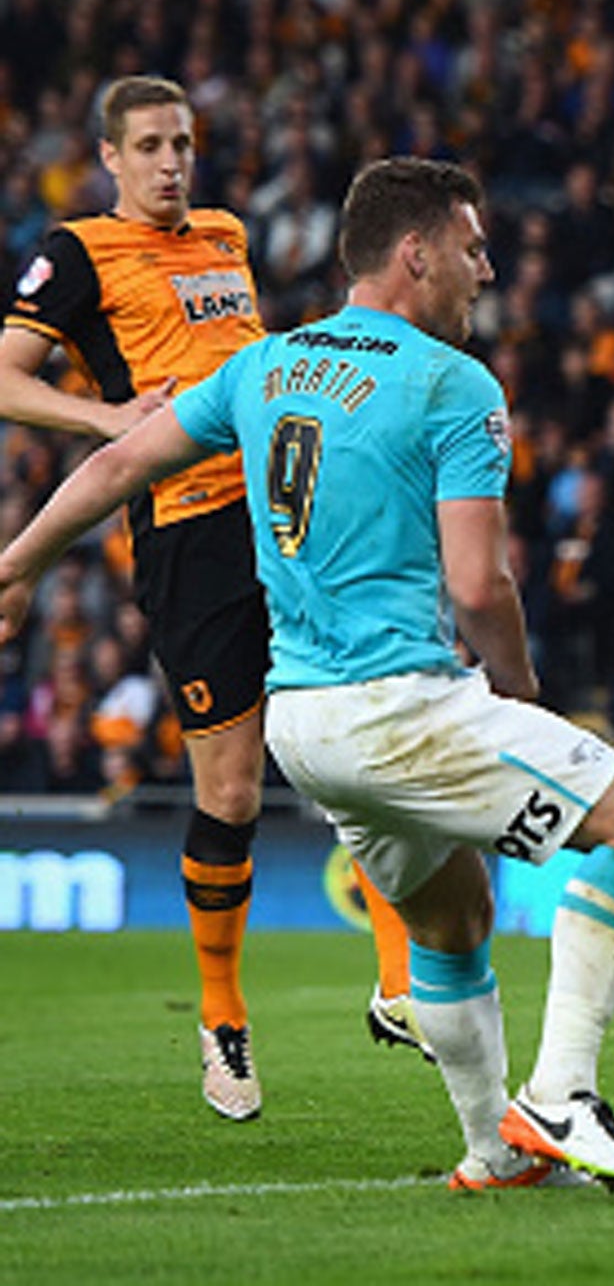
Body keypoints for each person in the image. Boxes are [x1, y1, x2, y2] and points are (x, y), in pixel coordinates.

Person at [0, 158, 614, 1189]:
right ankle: (561, 1096)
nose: (486, 272)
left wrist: (14, 566)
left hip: (304, 727)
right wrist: (520, 693)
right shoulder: (454, 383)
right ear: (415, 254)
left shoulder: (264, 365)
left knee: (451, 921)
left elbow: (114, 466)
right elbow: (479, 585)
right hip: (402, 706)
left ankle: (493, 1151)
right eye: (471, 247)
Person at [0, 75, 418, 1121]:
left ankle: (404, 982)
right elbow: (4, 378)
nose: (172, 162)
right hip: (186, 529)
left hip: (290, 508)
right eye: (149, 146)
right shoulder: (80, 251)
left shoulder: (225, 236)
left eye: (182, 142)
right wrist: (110, 428)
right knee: (230, 792)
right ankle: (223, 1018)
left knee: (366, 727)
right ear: (110, 157)